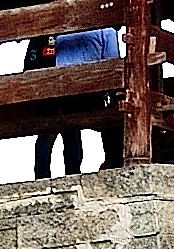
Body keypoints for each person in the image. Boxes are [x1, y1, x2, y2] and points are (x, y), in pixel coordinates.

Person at [34, 22, 126, 176]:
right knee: (110, 121)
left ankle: (44, 177)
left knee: (59, 134)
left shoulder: (58, 33)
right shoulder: (106, 31)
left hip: (62, 93)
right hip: (93, 93)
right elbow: (113, 65)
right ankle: (113, 164)